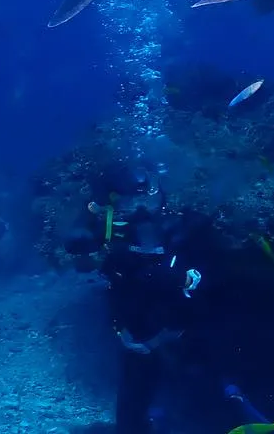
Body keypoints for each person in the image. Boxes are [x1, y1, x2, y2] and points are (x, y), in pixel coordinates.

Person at [99, 167, 262, 434]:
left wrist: (177, 290)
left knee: (216, 394)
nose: (141, 209)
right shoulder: (119, 242)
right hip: (141, 340)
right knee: (131, 408)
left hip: (188, 334)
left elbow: (212, 285)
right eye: (130, 202)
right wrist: (122, 331)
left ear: (161, 196)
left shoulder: (185, 230)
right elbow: (114, 288)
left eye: (147, 199)